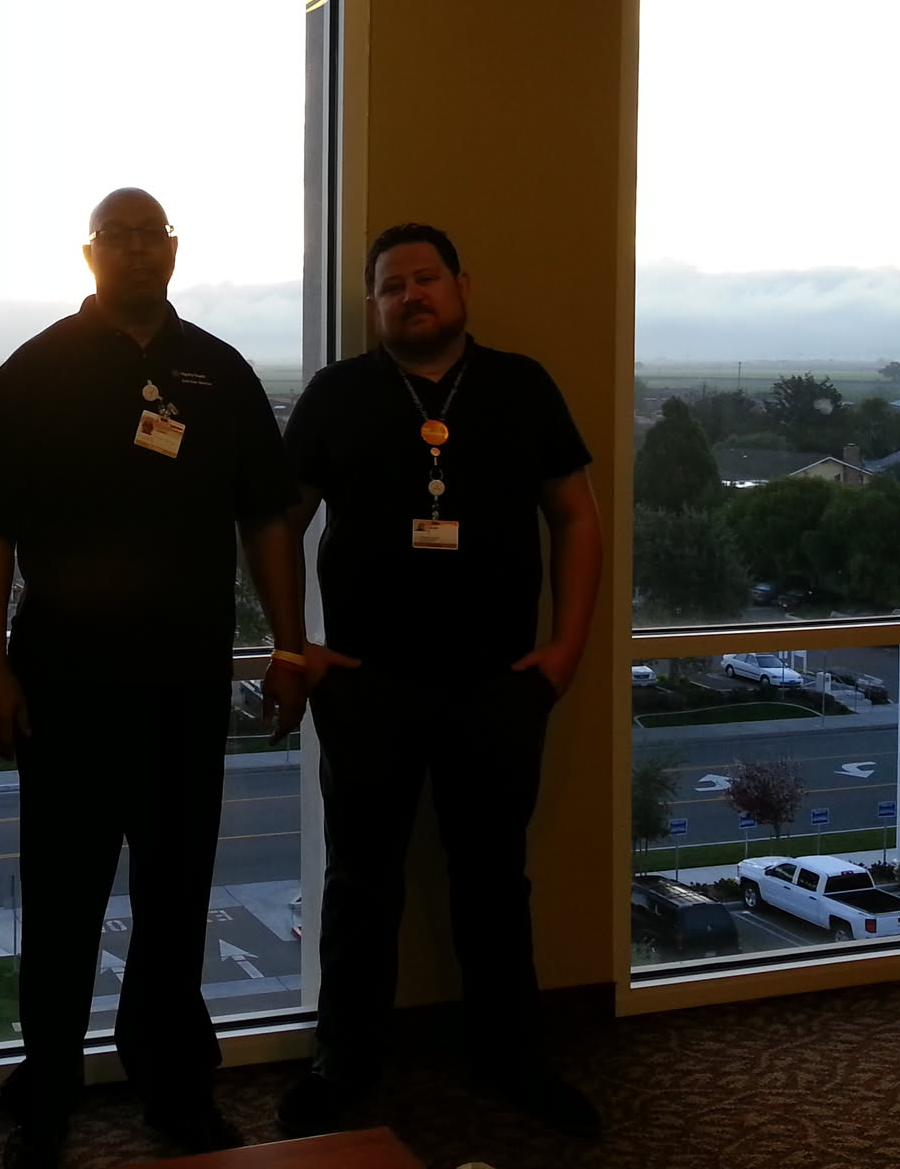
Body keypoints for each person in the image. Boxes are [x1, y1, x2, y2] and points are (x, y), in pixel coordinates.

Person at [0, 188, 306, 1169]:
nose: (136, 249)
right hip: (63, 688)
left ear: (174, 249)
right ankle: (46, 1100)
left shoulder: (221, 373)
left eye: (151, 234)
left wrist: (289, 646)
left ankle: (174, 1090)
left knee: (176, 899)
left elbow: (266, 518)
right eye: (117, 236)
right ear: (90, 253)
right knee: (62, 902)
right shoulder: (35, 370)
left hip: (184, 690)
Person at [274, 223, 603, 1139]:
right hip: (367, 684)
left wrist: (567, 648)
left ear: (463, 285)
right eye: (391, 286)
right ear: (373, 306)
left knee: (494, 881)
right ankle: (344, 1062)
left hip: (497, 684)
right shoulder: (338, 394)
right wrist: (295, 646)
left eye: (425, 279)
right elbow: (277, 524)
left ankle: (513, 1058)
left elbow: (576, 518)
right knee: (360, 883)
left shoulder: (522, 386)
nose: (410, 296)